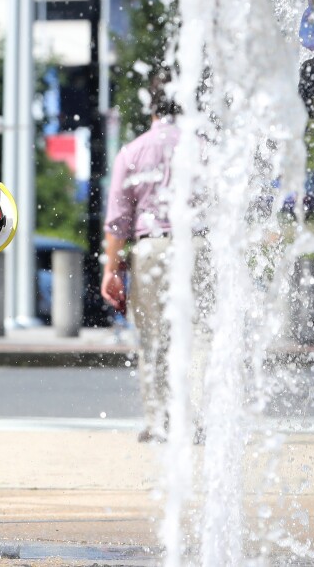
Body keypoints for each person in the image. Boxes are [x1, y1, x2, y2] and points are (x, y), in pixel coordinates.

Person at [100, 70, 211, 444]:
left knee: (153, 339)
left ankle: (161, 422)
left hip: (152, 248)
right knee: (197, 335)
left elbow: (118, 221)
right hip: (197, 246)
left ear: (151, 105)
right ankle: (196, 420)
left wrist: (111, 270)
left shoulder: (133, 151)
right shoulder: (205, 147)